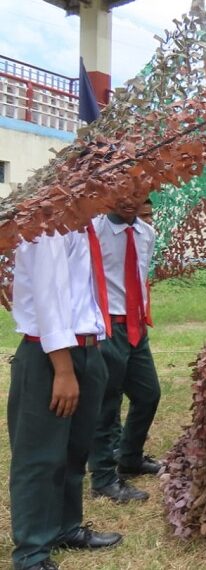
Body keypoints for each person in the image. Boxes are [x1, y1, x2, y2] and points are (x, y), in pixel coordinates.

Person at [8, 229, 122, 570]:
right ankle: (31, 553)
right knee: (40, 456)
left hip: (87, 349)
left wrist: (91, 357)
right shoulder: (48, 229)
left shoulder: (85, 226)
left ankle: (65, 528)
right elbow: (48, 300)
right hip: (51, 356)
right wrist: (63, 369)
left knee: (75, 449)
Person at [88, 194, 162, 503]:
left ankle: (130, 457)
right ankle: (103, 477)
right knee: (107, 403)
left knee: (148, 394)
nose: (127, 199)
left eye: (136, 192)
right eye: (119, 191)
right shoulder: (93, 230)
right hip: (107, 328)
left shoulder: (147, 233)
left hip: (136, 328)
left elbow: (140, 277)